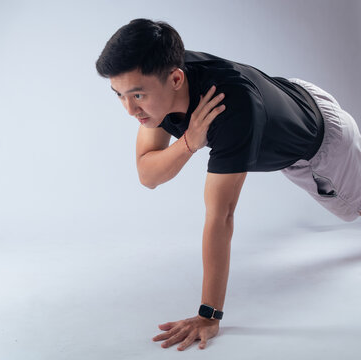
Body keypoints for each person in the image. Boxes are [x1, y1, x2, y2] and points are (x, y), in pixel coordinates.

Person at [95, 18, 361, 351]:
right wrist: (189, 142)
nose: (130, 109)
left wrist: (209, 315)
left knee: (351, 213)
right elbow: (148, 175)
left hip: (323, 148)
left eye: (137, 95)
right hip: (293, 97)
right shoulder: (161, 74)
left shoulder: (228, 110)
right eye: (119, 95)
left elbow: (222, 216)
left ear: (176, 78)